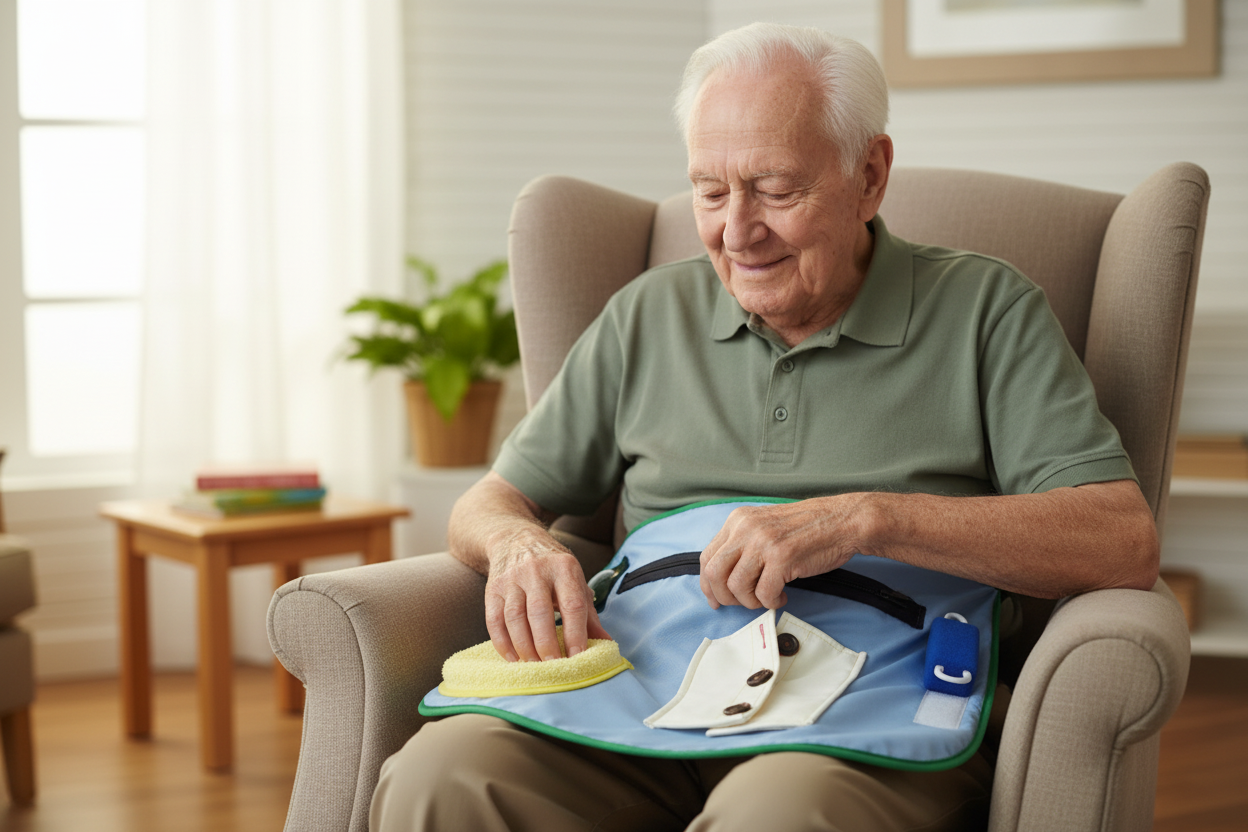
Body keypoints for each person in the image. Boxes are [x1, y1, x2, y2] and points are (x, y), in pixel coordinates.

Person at [371, 22, 1159, 832]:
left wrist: (864, 518)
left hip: (865, 706)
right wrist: (518, 543)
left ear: (870, 176)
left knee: (777, 815)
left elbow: (1121, 539)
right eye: (710, 192)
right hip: (631, 692)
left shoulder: (988, 312)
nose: (736, 231)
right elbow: (491, 500)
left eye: (775, 190)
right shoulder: (646, 315)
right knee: (440, 776)